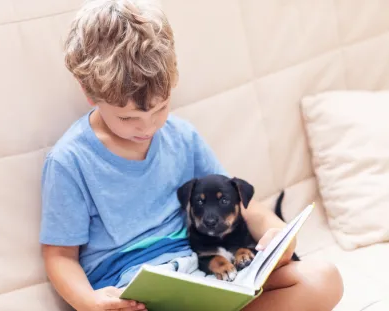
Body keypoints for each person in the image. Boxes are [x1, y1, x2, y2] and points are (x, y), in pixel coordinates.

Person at [39, 0, 344, 310]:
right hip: (136, 295)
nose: (148, 127)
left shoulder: (181, 136)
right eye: (128, 118)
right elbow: (60, 256)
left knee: (322, 277)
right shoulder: (69, 161)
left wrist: (276, 234)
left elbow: (243, 206)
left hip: (203, 274)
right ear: (89, 92)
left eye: (160, 108)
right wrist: (90, 301)